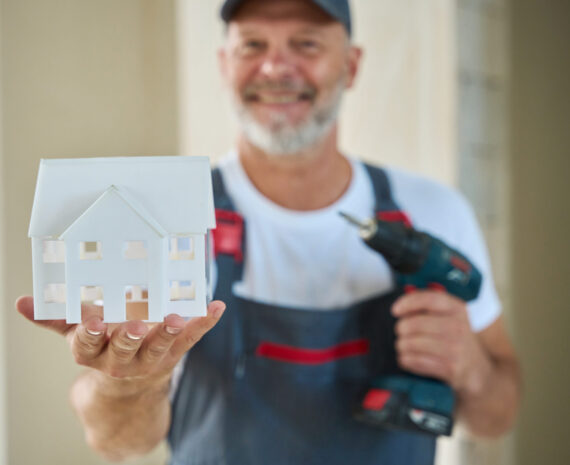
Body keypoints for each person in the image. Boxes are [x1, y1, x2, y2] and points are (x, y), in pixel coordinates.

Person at [16, 0, 521, 464]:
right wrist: (129, 383)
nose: (276, 68)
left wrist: (473, 370)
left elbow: (497, 417)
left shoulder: (434, 211)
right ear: (224, 65)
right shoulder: (173, 222)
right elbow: (118, 442)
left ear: (351, 65)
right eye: (253, 44)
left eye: (306, 43)